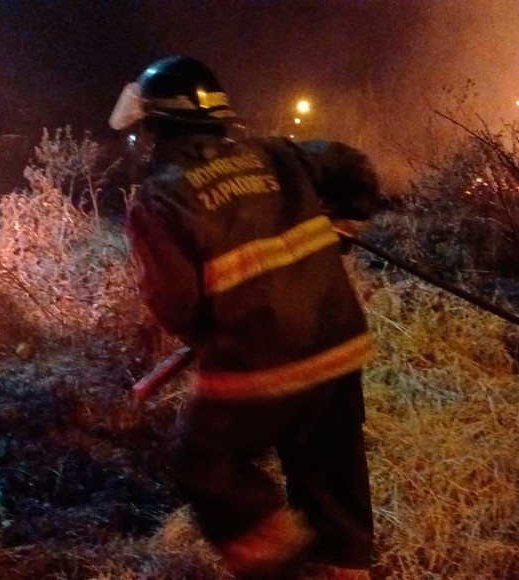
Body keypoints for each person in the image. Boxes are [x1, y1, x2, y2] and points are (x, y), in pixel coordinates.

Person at [110, 55, 381, 579]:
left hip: (262, 363)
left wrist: (213, 337)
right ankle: (343, 567)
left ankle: (282, 565)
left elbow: (178, 305)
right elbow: (355, 168)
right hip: (338, 346)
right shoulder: (276, 154)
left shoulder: (160, 196)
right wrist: (343, 226)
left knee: (205, 464)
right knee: (329, 471)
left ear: (159, 124)